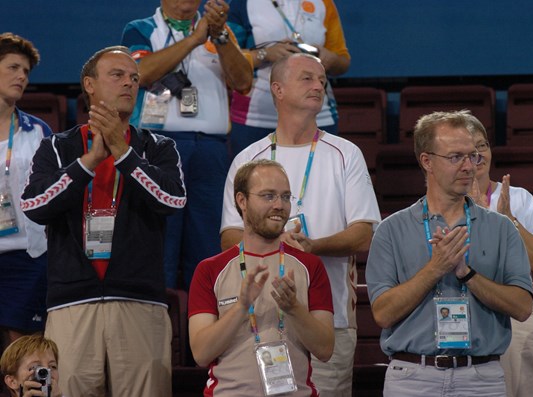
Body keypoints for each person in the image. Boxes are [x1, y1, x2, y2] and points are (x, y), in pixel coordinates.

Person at [21, 46, 186, 397]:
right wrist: (88, 162)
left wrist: (123, 154)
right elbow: (34, 205)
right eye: (117, 75)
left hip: (140, 304)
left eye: (134, 78)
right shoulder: (56, 147)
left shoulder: (158, 146)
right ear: (89, 85)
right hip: (72, 306)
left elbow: (172, 199)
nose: (129, 83)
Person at [220, 53, 380, 397]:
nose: (319, 86)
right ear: (277, 89)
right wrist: (279, 246)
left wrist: (312, 247)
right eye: (307, 78)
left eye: (322, 80)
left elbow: (364, 234)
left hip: (329, 319)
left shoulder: (344, 153)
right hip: (259, 319)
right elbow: (229, 237)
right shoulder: (247, 158)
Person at [366, 111, 533, 397]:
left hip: (481, 378)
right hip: (412, 379)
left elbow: (522, 308)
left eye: (473, 156)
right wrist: (436, 268)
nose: (469, 166)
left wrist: (467, 274)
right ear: (427, 161)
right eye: (456, 157)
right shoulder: (390, 230)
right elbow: (382, 313)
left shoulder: (502, 228)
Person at [121, 0, 253, 289]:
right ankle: (159, 328)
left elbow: (244, 81)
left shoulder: (223, 32)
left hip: (211, 149)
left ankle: (205, 330)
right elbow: (140, 73)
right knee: (160, 244)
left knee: (207, 247)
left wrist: (218, 35)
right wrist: (195, 39)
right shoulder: (141, 29)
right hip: (158, 148)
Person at [189, 159, 334, 396]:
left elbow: (326, 349)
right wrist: (241, 307)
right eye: (268, 196)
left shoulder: (310, 265)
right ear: (242, 201)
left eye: (286, 197)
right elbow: (202, 353)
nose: (279, 205)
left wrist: (294, 308)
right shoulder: (210, 270)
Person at [465, 111, 533, 397]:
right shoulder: (441, 203)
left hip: (515, 312)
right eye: (468, 148)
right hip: (462, 313)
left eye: (482, 145)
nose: (477, 154)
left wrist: (508, 218)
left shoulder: (520, 198)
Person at [227, 0, 351, 158]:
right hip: (256, 118)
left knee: (318, 181)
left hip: (318, 117)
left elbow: (343, 61)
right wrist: (264, 54)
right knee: (256, 182)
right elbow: (225, 57)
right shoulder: (242, 4)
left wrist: (330, 58)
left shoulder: (323, 3)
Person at [0, 33, 51, 349]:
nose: (22, 76)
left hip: (30, 256)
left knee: (28, 353)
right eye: (13, 67)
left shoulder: (39, 132)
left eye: (26, 71)